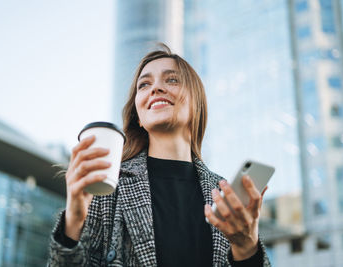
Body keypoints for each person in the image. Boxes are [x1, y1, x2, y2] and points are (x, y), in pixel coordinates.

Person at [48, 44, 271, 266]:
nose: (155, 88)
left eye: (171, 79)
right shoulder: (108, 185)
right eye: (144, 84)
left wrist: (247, 248)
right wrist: (74, 222)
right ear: (138, 117)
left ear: (196, 103)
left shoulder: (224, 196)